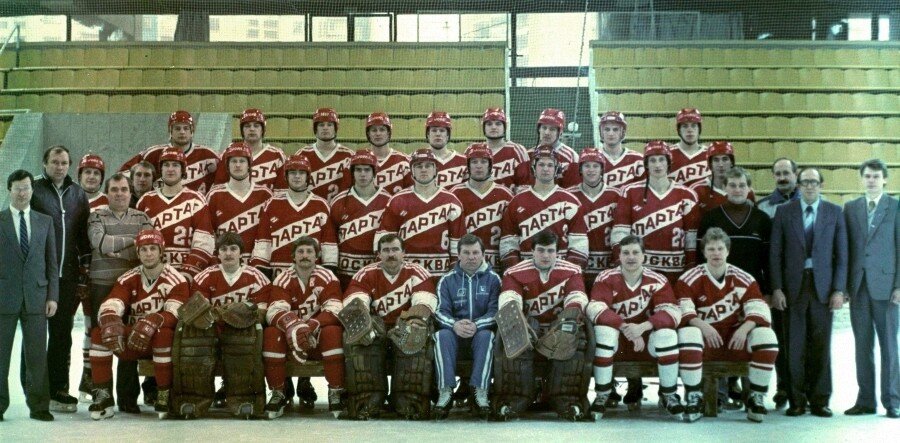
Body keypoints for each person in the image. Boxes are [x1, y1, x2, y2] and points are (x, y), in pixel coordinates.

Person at [677, 228, 780, 423]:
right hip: (705, 342)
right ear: (704, 252)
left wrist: (745, 328)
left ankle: (755, 397)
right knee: (689, 332)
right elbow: (683, 311)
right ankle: (694, 396)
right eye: (711, 249)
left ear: (728, 251)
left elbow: (760, 309)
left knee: (767, 336)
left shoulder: (744, 277)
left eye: (720, 248)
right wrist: (702, 326)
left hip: (734, 340)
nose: (716, 253)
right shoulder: (689, 278)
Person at [770, 167, 848, 417]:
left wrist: (838, 290)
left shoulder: (835, 212)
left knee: (821, 345)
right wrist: (777, 288)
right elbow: (775, 254)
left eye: (814, 182)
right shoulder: (784, 212)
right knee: (794, 346)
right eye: (805, 182)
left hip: (823, 288)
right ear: (799, 186)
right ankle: (797, 400)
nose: (810, 186)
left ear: (821, 185)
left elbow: (842, 256)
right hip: (793, 287)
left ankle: (820, 400)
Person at [88, 229, 189, 420]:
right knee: (98, 333)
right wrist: (110, 317)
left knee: (164, 333)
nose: (148, 253)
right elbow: (115, 300)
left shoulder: (176, 278)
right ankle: (103, 395)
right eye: (144, 250)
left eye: (153, 248)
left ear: (161, 251)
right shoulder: (129, 277)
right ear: (138, 253)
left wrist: (155, 320)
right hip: (135, 339)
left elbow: (176, 312)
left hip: (161, 342)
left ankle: (164, 393)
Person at [492, 229, 590, 421]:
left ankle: (567, 401)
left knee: (572, 340)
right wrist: (518, 322)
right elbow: (509, 300)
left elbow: (577, 297)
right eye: (541, 250)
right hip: (531, 330)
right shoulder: (514, 272)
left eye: (551, 251)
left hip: (557, 328)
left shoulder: (572, 271)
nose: (546, 255)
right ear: (532, 251)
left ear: (557, 252)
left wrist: (568, 319)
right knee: (514, 337)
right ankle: (514, 401)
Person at [697, 167, 773, 409]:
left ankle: (751, 394)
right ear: (725, 188)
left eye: (742, 185)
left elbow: (769, 259)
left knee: (749, 337)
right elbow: (702, 258)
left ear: (749, 188)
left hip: (752, 290)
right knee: (719, 334)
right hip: (716, 289)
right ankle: (718, 395)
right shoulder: (711, 217)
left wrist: (769, 291)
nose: (737, 189)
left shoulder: (762, 219)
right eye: (732, 185)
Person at [340, 234, 438, 420]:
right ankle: (368, 402)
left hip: (405, 326)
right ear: (378, 254)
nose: (391, 254)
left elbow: (425, 300)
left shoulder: (417, 272)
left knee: (416, 341)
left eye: (395, 249)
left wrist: (414, 321)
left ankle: (409, 402)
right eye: (386, 250)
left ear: (404, 253)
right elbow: (355, 301)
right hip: (378, 328)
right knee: (362, 345)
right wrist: (363, 324)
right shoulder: (366, 273)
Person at [587, 235, 684, 420]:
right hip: (619, 343)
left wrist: (644, 327)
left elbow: (672, 312)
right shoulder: (606, 277)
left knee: (667, 334)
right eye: (626, 253)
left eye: (635, 252)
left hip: (645, 342)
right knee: (603, 331)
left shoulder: (657, 279)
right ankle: (602, 395)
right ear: (619, 256)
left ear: (643, 256)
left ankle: (669, 394)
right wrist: (625, 327)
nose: (631, 257)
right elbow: (595, 308)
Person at [180, 232, 271, 418]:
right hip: (211, 331)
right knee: (194, 342)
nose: (228, 253)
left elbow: (262, 313)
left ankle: (245, 398)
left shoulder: (257, 277)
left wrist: (244, 315)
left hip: (241, 333)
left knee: (242, 344)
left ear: (241, 253)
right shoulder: (204, 277)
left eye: (233, 249)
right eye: (223, 249)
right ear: (217, 254)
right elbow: (197, 312)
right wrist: (222, 314)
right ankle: (194, 399)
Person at [30, 145, 91, 413]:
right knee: (33, 333)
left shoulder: (77, 193)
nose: (59, 166)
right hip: (38, 275)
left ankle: (58, 389)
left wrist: (83, 271)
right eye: (54, 162)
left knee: (60, 334)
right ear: (44, 164)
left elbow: (83, 236)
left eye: (64, 162)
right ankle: (33, 390)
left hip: (66, 276)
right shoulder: (34, 189)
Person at [86, 173, 152, 413]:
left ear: (130, 191)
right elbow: (100, 244)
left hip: (132, 286)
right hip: (102, 283)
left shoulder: (142, 216)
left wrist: (116, 246)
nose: (120, 194)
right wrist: (133, 242)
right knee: (101, 336)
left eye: (124, 189)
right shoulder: (96, 216)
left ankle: (127, 398)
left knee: (128, 338)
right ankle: (102, 394)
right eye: (114, 189)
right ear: (107, 193)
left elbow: (148, 248)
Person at [843, 159, 900, 418]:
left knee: (889, 346)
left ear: (885, 179)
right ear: (861, 178)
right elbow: (845, 251)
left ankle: (893, 400)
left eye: (876, 176)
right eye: (867, 176)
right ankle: (866, 400)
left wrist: (899, 285)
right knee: (862, 345)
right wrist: (844, 286)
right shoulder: (851, 208)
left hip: (887, 288)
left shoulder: (896, 207)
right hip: (858, 288)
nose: (871, 180)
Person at [0, 169, 58, 422]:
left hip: (37, 296)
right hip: (4, 297)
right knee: (1, 354)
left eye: (27, 188)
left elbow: (52, 263)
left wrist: (52, 296)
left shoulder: (44, 221)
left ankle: (39, 405)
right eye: (18, 188)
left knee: (37, 356)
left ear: (32, 191)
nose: (23, 193)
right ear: (9, 190)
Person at [264, 236, 344, 417]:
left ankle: (336, 391)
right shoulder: (283, 278)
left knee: (333, 332)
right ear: (293, 256)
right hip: (290, 338)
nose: (305, 255)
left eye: (309, 251)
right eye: (300, 252)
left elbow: (335, 308)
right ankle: (278, 391)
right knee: (271, 334)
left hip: (317, 336)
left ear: (317, 256)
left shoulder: (327, 277)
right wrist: (293, 326)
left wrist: (313, 323)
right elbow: (274, 310)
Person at [612, 141, 700, 285]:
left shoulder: (687, 195)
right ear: (646, 164)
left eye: (661, 160)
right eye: (652, 160)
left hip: (675, 269)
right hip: (640, 269)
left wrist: (690, 265)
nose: (657, 165)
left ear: (668, 163)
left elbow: (691, 236)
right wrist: (621, 261)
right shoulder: (630, 192)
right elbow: (620, 233)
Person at [432, 234, 500, 418]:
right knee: (441, 336)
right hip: (455, 333)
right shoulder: (447, 280)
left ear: (483, 254)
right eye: (466, 252)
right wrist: (454, 325)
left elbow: (495, 312)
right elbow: (439, 311)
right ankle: (445, 392)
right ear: (458, 255)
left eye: (476, 252)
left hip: (480, 333)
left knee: (487, 336)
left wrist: (476, 325)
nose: (471, 257)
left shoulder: (494, 280)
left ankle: (480, 391)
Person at [377, 148, 465, 280]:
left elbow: (458, 244)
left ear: (436, 169)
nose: (423, 169)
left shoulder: (451, 201)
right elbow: (384, 240)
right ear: (412, 171)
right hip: (405, 273)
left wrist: (453, 272)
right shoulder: (397, 200)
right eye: (418, 166)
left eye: (428, 165)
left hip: (441, 273)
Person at [753, 157, 799, 408]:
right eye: (778, 173)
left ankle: (805, 391)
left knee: (804, 340)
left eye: (787, 173)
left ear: (796, 173)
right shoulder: (764, 207)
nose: (782, 177)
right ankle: (783, 388)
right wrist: (770, 287)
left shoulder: (810, 202)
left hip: (804, 281)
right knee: (780, 338)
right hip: (776, 282)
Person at [500, 145, 588, 269]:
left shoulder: (571, 201)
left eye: (550, 165)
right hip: (525, 270)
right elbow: (508, 243)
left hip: (561, 270)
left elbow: (579, 244)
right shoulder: (517, 201)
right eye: (541, 164)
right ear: (533, 168)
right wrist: (518, 271)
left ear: (556, 169)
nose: (545, 169)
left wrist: (567, 272)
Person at [251, 155, 338, 279]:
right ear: (286, 176)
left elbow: (328, 245)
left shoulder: (321, 205)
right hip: (278, 276)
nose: (297, 176)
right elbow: (263, 243)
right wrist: (262, 272)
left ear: (308, 176)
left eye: (301, 172)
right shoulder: (272, 204)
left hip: (312, 275)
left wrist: (328, 273)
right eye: (292, 172)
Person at [136, 147, 215, 279]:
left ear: (183, 170)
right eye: (166, 165)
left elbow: (205, 242)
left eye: (175, 165)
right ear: (160, 170)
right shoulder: (146, 201)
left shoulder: (196, 200)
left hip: (187, 274)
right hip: (152, 273)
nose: (170, 169)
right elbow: (137, 242)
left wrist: (188, 272)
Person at [330, 149, 392, 289]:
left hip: (377, 271)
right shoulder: (338, 201)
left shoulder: (388, 201)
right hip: (345, 272)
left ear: (374, 172)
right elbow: (331, 239)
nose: (362, 174)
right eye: (358, 170)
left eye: (366, 170)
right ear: (352, 172)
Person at [119, 110, 219, 195]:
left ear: (192, 131)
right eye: (177, 128)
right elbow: (122, 174)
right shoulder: (153, 154)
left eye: (186, 128)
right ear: (170, 131)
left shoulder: (207, 155)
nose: (182, 132)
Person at [450, 143, 514, 273]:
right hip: (465, 264)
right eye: (474, 162)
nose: (479, 166)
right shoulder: (455, 194)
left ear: (490, 165)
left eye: (484, 161)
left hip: (496, 264)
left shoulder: (505, 194)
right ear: (468, 165)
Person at [75, 152, 108, 402]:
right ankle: (60, 383)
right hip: (70, 271)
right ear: (80, 175)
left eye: (96, 173)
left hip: (96, 273)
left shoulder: (108, 201)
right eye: (88, 172)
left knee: (90, 327)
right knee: (62, 330)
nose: (92, 176)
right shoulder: (71, 198)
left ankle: (89, 376)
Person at [206, 142, 273, 263]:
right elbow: (209, 233)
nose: (237, 165)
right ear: (227, 165)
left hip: (256, 263)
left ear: (249, 164)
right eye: (233, 161)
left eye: (242, 161)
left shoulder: (265, 194)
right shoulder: (214, 195)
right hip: (225, 262)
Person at [567, 147, 620, 288]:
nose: (591, 170)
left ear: (602, 169)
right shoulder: (569, 196)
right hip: (578, 264)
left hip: (608, 264)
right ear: (580, 169)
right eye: (587, 166)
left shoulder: (617, 195)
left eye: (596, 166)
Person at [214, 108, 287, 192]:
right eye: (247, 126)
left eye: (256, 125)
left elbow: (282, 190)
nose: (252, 129)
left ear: (262, 129)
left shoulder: (277, 155)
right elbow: (219, 187)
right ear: (242, 130)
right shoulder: (229, 152)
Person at [296, 108, 354, 202]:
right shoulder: (302, 155)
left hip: (338, 210)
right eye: (321, 125)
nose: (325, 128)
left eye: (330, 124)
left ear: (335, 128)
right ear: (315, 128)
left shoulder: (349, 155)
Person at [514, 108, 580, 189]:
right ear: (539, 129)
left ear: (560, 132)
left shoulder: (571, 156)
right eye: (544, 128)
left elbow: (574, 190)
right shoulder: (528, 155)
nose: (547, 133)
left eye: (552, 129)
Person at [690, 141, 756, 213]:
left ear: (731, 162)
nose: (721, 164)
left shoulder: (747, 191)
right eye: (716, 160)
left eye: (725, 159)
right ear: (710, 164)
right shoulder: (697, 190)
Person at [480, 107, 529, 192]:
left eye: (498, 124)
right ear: (483, 127)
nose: (494, 127)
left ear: (504, 127)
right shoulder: (474, 151)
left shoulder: (517, 150)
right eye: (489, 124)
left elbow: (527, 184)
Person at [364, 112, 411, 195]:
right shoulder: (360, 161)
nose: (378, 133)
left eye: (382, 129)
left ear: (389, 132)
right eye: (374, 130)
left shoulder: (404, 161)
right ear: (368, 134)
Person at [596, 111, 644, 189]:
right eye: (607, 129)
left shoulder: (638, 160)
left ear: (623, 132)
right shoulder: (592, 159)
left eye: (615, 129)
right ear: (601, 132)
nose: (611, 133)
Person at [424, 111, 467, 189]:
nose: (438, 134)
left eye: (442, 130)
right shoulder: (415, 160)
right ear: (428, 134)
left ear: (448, 135)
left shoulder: (463, 161)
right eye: (434, 130)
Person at [669, 108, 708, 187]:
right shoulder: (668, 154)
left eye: (693, 126)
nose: (690, 130)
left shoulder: (710, 155)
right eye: (685, 126)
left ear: (699, 129)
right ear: (679, 130)